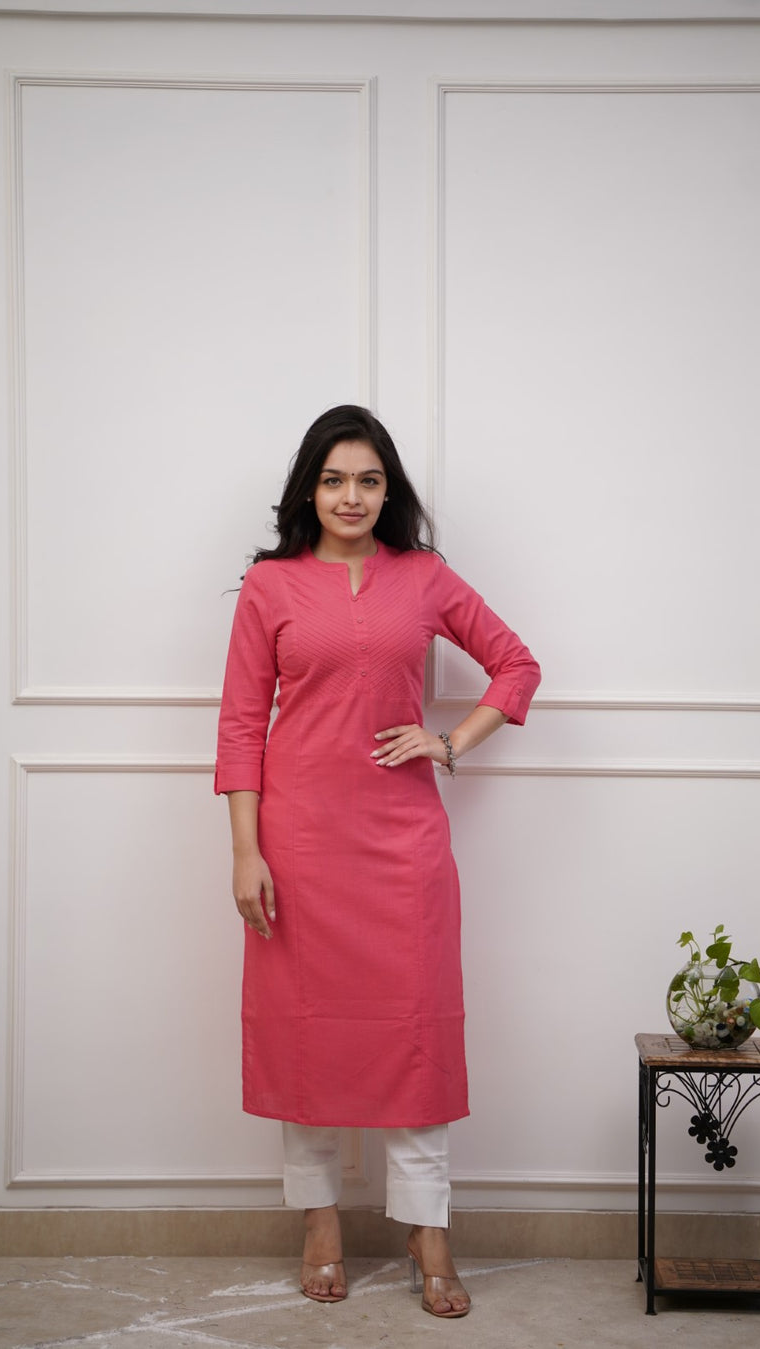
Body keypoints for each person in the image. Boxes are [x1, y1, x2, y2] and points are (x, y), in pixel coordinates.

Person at [215, 405, 541, 1318]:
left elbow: (516, 664)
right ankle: (319, 1221)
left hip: (404, 847)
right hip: (299, 846)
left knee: (416, 1036)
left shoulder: (424, 576)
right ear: (308, 490)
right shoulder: (270, 586)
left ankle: (428, 1229)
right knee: (304, 1036)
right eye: (333, 479)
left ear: (387, 489)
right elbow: (240, 724)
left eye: (367, 479)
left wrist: (448, 743)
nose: (350, 496)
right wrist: (246, 851)